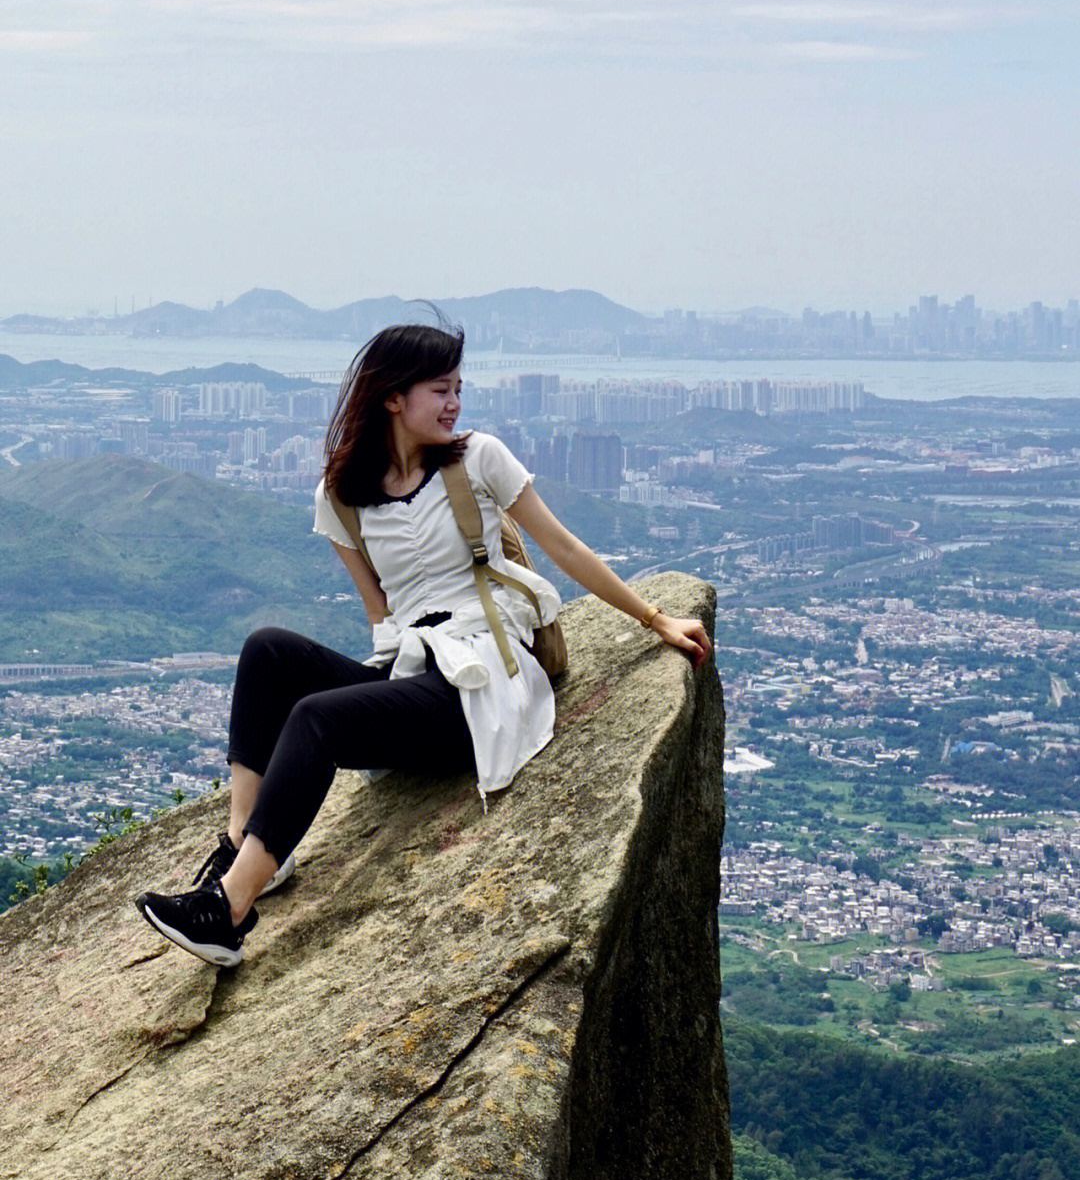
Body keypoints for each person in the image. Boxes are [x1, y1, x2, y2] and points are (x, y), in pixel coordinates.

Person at [136, 323, 711, 966]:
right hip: (416, 673)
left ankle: (229, 913)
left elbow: (564, 547)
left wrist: (654, 620)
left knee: (315, 720)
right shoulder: (342, 498)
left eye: (458, 388)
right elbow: (382, 616)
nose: (454, 403)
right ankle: (249, 850)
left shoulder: (479, 460)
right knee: (267, 651)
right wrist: (376, 699)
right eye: (440, 389)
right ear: (392, 398)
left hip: (480, 684)